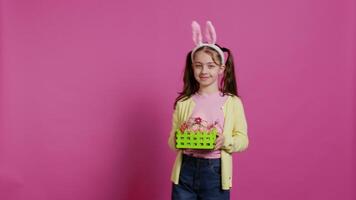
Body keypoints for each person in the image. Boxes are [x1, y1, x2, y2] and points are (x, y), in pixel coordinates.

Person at [168, 20, 249, 200]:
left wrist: (226, 141)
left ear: (221, 68)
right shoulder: (184, 103)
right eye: (198, 65)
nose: (204, 71)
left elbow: (243, 139)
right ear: (192, 67)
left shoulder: (232, 102)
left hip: (215, 172)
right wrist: (177, 138)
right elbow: (171, 141)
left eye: (210, 66)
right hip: (185, 172)